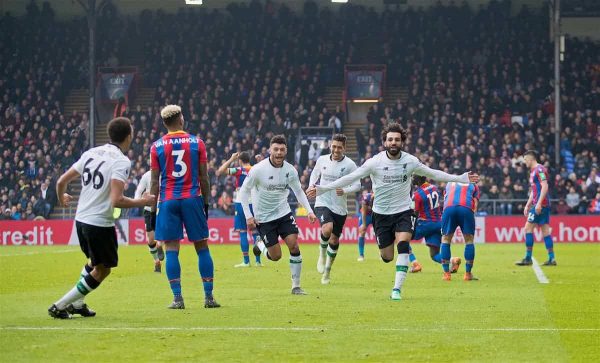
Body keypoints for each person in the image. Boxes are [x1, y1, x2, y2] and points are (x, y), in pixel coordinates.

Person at [307, 123, 479, 301]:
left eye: (397, 139)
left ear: (402, 142)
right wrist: (322, 189)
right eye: (390, 139)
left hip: (404, 211)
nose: (393, 142)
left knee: (403, 245)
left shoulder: (410, 161)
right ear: (384, 142)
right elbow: (350, 177)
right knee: (387, 256)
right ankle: (390, 260)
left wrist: (460, 178)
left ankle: (396, 289)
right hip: (381, 214)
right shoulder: (375, 162)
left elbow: (434, 173)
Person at [48, 117, 155, 319]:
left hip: (81, 219)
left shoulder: (91, 153)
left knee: (94, 262)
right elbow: (117, 200)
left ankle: (77, 304)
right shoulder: (121, 161)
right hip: (99, 223)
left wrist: (62, 196)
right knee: (103, 270)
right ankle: (60, 304)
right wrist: (144, 201)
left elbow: (61, 180)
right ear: (129, 136)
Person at [150, 105, 220, 309]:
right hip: (192, 197)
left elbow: (154, 181)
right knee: (202, 246)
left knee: (171, 249)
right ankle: (208, 298)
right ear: (181, 119)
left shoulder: (156, 146)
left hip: (169, 200)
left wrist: (153, 208)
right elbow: (204, 177)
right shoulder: (197, 143)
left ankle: (177, 299)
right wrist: (206, 202)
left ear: (164, 123)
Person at [238, 134, 317, 295]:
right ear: (270, 150)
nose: (279, 153)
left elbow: (298, 192)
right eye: (276, 149)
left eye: (282, 149)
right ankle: (260, 244)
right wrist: (248, 215)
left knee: (293, 244)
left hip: (284, 213)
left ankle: (296, 286)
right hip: (264, 218)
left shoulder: (290, 170)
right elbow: (244, 192)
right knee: (275, 256)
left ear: (286, 150)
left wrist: (309, 211)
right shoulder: (258, 170)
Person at [309, 134, 359, 284]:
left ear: (344, 148)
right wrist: (312, 185)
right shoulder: (322, 160)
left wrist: (345, 191)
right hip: (322, 201)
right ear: (330, 145)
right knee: (327, 228)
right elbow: (315, 173)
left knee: (335, 239)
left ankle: (327, 271)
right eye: (334, 146)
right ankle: (322, 254)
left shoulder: (350, 165)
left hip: (340, 207)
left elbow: (357, 185)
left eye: (339, 147)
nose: (336, 150)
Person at [216, 151, 262, 267]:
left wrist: (231, 159)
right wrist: (259, 162)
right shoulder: (256, 169)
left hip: (241, 203)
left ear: (240, 161)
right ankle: (258, 261)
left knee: (243, 231)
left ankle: (246, 261)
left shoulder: (239, 170)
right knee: (255, 232)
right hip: (254, 204)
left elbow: (220, 170)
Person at [411, 175, 461, 273]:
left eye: (413, 177)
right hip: (438, 223)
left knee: (402, 238)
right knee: (434, 255)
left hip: (425, 224)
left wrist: (409, 227)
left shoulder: (417, 195)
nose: (411, 178)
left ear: (418, 179)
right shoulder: (434, 188)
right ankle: (453, 260)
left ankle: (415, 264)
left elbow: (414, 214)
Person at [515, 150, 556, 266]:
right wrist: (528, 204)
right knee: (545, 231)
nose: (525, 162)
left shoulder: (540, 169)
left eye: (525, 160)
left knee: (527, 229)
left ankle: (528, 258)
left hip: (540, 205)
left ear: (531, 159)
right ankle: (552, 258)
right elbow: (534, 191)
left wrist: (538, 203)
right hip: (541, 204)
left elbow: (545, 186)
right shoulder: (533, 171)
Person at [439, 182, 480, 281]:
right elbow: (475, 204)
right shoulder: (474, 185)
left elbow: (445, 197)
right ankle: (467, 274)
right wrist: (471, 215)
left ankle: (446, 274)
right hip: (465, 208)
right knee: (469, 240)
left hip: (449, 208)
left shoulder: (449, 183)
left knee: (445, 239)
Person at [135, 165, 165, 272]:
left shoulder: (166, 175)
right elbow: (139, 190)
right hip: (148, 209)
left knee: (162, 231)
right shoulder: (147, 175)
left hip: (162, 208)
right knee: (150, 239)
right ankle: (157, 261)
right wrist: (137, 201)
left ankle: (160, 244)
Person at [357, 189, 374, 261]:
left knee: (380, 233)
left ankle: (382, 253)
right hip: (366, 215)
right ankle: (361, 255)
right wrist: (363, 224)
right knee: (362, 232)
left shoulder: (381, 197)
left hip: (375, 215)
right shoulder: (367, 198)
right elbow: (363, 211)